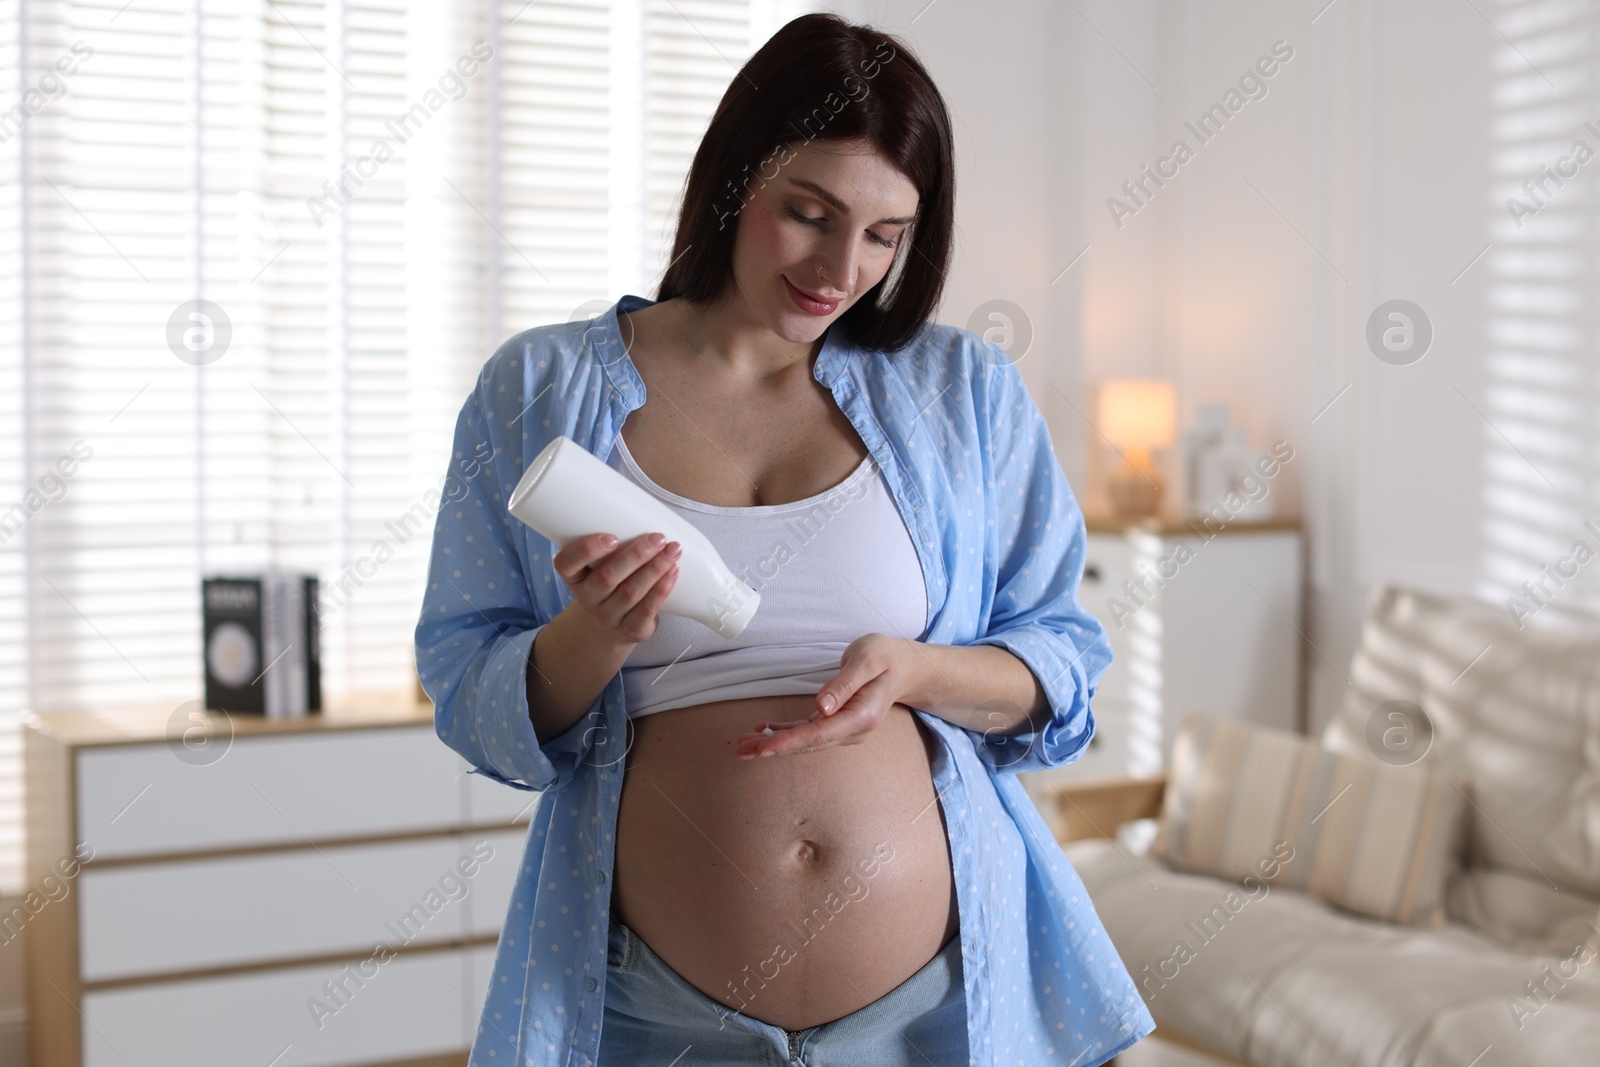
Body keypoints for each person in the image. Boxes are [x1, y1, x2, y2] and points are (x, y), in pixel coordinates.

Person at [416, 12, 1155, 1067]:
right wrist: (592, 635)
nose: (839, 267)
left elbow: (1062, 668)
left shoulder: (962, 392)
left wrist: (918, 670)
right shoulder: (539, 388)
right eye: (806, 213)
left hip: (935, 1009)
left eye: (885, 235)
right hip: (649, 1013)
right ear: (733, 178)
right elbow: (465, 688)